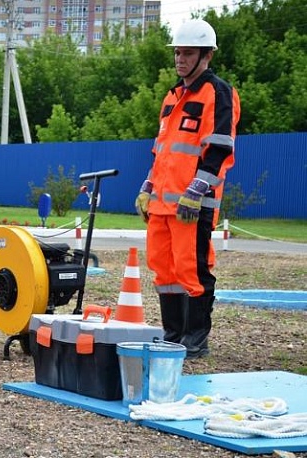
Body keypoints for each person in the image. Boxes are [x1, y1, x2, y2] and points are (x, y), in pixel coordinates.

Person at [135, 19, 241, 358]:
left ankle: (196, 338)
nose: (180, 59)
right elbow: (162, 151)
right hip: (163, 205)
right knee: (164, 270)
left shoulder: (218, 93)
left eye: (188, 53)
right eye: (178, 52)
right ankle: (173, 335)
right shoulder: (172, 97)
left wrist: (196, 192)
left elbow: (221, 148)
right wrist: (147, 187)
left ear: (206, 55)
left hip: (192, 204)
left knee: (191, 268)